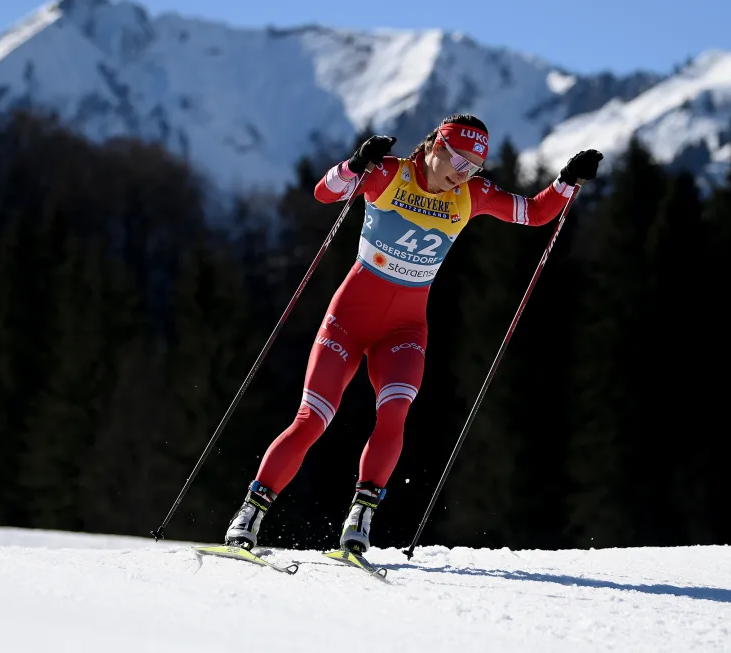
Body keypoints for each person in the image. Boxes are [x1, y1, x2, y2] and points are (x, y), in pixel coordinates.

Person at [224, 112, 602, 554]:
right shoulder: (388, 174)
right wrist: (354, 165)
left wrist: (567, 180)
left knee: (394, 414)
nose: (461, 178)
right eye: (457, 164)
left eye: (473, 170)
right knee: (313, 420)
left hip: (405, 328)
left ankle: (360, 519)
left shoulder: (471, 195)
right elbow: (324, 192)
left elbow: (536, 214)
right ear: (435, 147)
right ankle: (249, 515)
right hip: (347, 322)